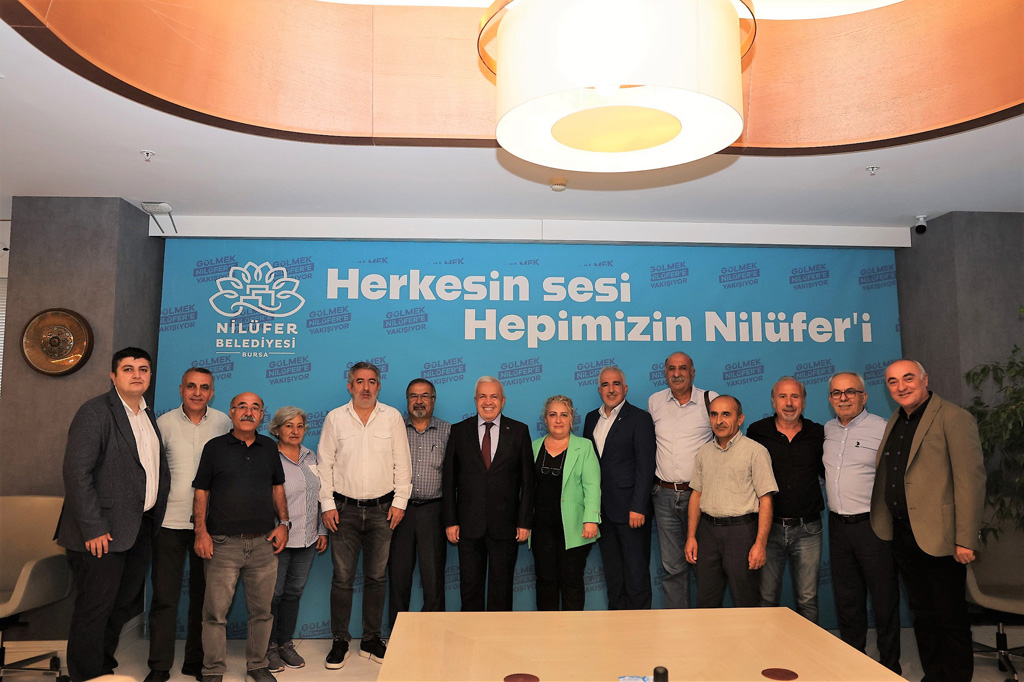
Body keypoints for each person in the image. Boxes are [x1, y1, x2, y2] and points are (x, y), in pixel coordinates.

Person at [56, 347, 169, 682]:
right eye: (128, 368)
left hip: (138, 528)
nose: (137, 374)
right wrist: (93, 528)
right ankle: (86, 676)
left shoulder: (146, 414)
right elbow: (77, 473)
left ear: (150, 376)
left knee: (121, 604)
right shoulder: (95, 412)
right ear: (113, 375)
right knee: (95, 608)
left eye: (143, 369)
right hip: (100, 532)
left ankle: (102, 667)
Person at [870, 359, 986, 682]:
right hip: (904, 535)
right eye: (893, 382)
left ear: (925, 379)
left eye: (908, 378)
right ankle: (934, 676)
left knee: (950, 617)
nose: (901, 387)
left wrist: (965, 538)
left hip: (943, 538)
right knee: (922, 614)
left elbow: (971, 481)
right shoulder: (897, 419)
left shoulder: (953, 417)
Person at [318, 362, 412, 668]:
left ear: (379, 386)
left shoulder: (392, 417)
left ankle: (371, 639)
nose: (366, 387)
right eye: (359, 381)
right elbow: (325, 464)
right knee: (342, 578)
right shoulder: (335, 418)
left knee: (376, 577)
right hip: (342, 510)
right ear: (350, 386)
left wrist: (400, 502)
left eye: (372, 381)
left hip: (382, 511)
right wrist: (327, 504)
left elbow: (402, 462)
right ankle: (340, 641)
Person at [192, 391, 290, 682]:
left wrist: (284, 523)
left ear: (262, 415)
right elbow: (201, 491)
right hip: (222, 544)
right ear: (231, 412)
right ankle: (212, 669)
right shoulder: (214, 448)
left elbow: (277, 487)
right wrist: (201, 532)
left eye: (255, 408)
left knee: (262, 612)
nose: (248, 412)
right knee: (215, 614)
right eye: (242, 407)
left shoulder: (269, 448)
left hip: (263, 544)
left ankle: (257, 665)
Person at [147, 367, 231, 682]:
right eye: (191, 386)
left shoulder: (224, 423)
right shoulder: (163, 424)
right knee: (165, 598)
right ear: (181, 389)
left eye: (204, 387)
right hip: (168, 523)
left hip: (209, 526)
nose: (197, 393)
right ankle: (159, 666)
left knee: (204, 598)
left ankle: (196, 661)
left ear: (212, 392)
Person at [823, 372, 901, 673]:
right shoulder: (827, 430)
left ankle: (890, 667)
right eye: (836, 393)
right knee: (847, 601)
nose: (843, 398)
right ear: (830, 399)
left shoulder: (883, 428)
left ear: (864, 396)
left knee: (884, 600)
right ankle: (852, 664)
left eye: (850, 392)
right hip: (838, 527)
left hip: (873, 527)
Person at [442, 376, 536, 611]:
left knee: (501, 592)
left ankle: (499, 634)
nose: (488, 401)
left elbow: (528, 481)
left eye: (494, 396)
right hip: (468, 527)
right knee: (470, 591)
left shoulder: (519, 431)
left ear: (503, 401)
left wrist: (524, 522)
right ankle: (471, 634)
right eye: (482, 396)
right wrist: (451, 521)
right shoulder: (459, 431)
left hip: (506, 527)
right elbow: (449, 480)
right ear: (475, 400)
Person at [684, 395, 777, 608]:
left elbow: (766, 500)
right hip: (707, 533)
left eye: (726, 414)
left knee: (746, 601)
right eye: (714, 415)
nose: (719, 421)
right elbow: (696, 495)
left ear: (740, 419)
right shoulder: (704, 452)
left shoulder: (756, 452)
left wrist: (760, 545)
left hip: (741, 534)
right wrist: (691, 537)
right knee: (706, 602)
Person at [745, 377, 825, 623]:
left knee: (808, 599)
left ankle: (809, 646)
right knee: (767, 598)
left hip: (808, 529)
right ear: (773, 400)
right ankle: (766, 646)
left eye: (795, 396)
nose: (789, 403)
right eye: (783, 396)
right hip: (769, 530)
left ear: (804, 401)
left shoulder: (818, 433)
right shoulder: (757, 432)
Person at [647, 351, 717, 608]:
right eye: (672, 369)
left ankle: (705, 623)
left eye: (683, 368)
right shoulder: (655, 401)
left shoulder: (710, 400)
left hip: (699, 495)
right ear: (665, 373)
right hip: (663, 495)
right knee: (672, 567)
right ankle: (678, 624)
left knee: (704, 564)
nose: (677, 374)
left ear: (693, 372)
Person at [582, 366, 656, 610]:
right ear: (599, 390)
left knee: (636, 575)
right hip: (602, 512)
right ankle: (617, 626)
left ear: (625, 388)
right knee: (613, 575)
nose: (611, 389)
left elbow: (646, 466)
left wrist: (638, 507)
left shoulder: (639, 418)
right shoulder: (591, 419)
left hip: (631, 512)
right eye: (605, 384)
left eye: (616, 384)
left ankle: (641, 627)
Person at [266, 406, 328, 672]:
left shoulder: (311, 456)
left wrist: (322, 530)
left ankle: (285, 644)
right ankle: (268, 647)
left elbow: (319, 496)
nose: (295, 431)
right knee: (273, 595)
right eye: (288, 425)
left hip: (307, 539)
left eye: (300, 426)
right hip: (277, 540)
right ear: (276, 429)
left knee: (293, 593)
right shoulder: (269, 457)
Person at [388, 379, 451, 632]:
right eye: (413, 396)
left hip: (434, 511)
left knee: (433, 577)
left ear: (433, 400)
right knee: (398, 575)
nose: (419, 401)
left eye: (425, 396)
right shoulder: (394, 430)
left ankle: (432, 632)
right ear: (407, 400)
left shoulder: (448, 431)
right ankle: (397, 632)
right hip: (399, 512)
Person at [530, 395, 601, 610]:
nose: (558, 420)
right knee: (545, 580)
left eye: (564, 415)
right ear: (545, 419)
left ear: (572, 419)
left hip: (574, 526)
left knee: (571, 580)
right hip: (541, 527)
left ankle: (573, 629)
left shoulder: (584, 447)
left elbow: (592, 485)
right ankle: (547, 628)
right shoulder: (533, 447)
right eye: (553, 415)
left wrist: (591, 519)